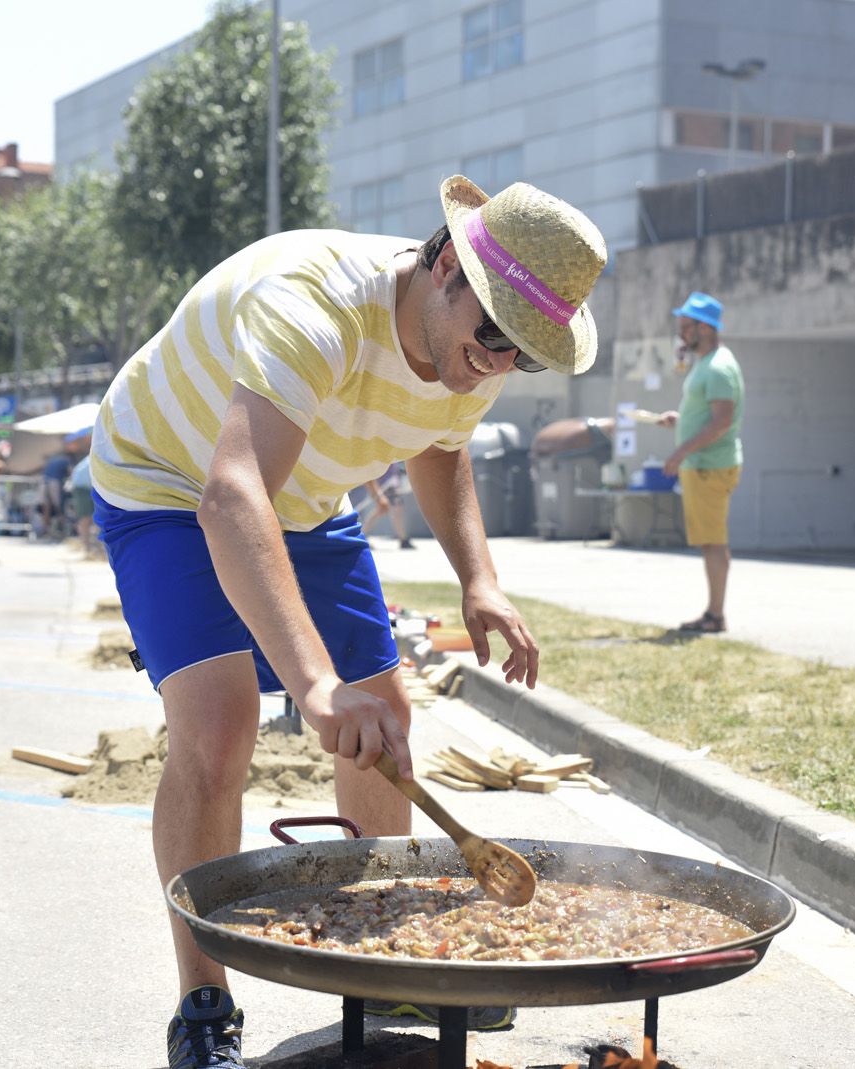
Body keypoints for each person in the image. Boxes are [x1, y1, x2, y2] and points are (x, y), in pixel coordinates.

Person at [89, 176, 605, 1068]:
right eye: (492, 337)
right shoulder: (318, 304)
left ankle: (380, 962)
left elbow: (442, 448)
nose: (497, 365)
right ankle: (203, 1002)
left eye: (524, 356)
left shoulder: (471, 346)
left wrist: (479, 578)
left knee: (388, 719)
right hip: (170, 483)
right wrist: (315, 684)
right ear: (447, 263)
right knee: (219, 729)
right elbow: (230, 494)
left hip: (307, 498)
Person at [658, 291, 743, 633]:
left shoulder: (719, 368)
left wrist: (680, 452)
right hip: (703, 464)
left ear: (705, 328)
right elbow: (709, 415)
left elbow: (723, 421)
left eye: (685, 326)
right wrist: (680, 421)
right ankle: (714, 612)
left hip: (709, 466)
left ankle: (715, 615)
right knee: (711, 541)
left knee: (713, 542)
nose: (680, 333)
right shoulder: (707, 364)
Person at [362, 462, 414, 548]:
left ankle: (403, 539)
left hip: (392, 485)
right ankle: (403, 539)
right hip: (386, 486)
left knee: (388, 511)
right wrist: (378, 494)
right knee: (385, 510)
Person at [66, 429, 98, 557]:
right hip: (82, 487)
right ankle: (87, 547)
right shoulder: (96, 453)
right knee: (86, 518)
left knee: (92, 518)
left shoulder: (94, 453)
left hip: (86, 486)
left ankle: (91, 547)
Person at [40, 447, 72, 539]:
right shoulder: (66, 460)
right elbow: (71, 473)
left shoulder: (52, 459)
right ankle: (62, 531)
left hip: (43, 481)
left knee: (46, 507)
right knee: (59, 506)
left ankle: (45, 530)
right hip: (54, 483)